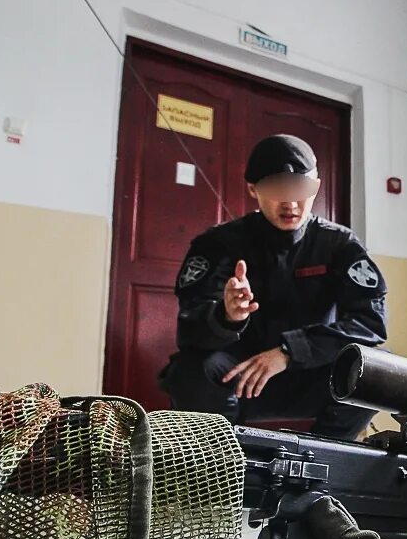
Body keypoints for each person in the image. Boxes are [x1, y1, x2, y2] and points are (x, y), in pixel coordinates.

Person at [159, 134, 386, 440]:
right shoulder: (218, 243)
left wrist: (288, 352)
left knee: (377, 370)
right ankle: (222, 459)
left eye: (300, 188)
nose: (290, 202)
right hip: (240, 378)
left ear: (316, 186)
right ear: (253, 189)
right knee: (188, 371)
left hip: (312, 373)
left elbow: (369, 323)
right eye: (276, 188)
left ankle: (325, 457)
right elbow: (189, 329)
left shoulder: (338, 244)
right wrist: (227, 317)